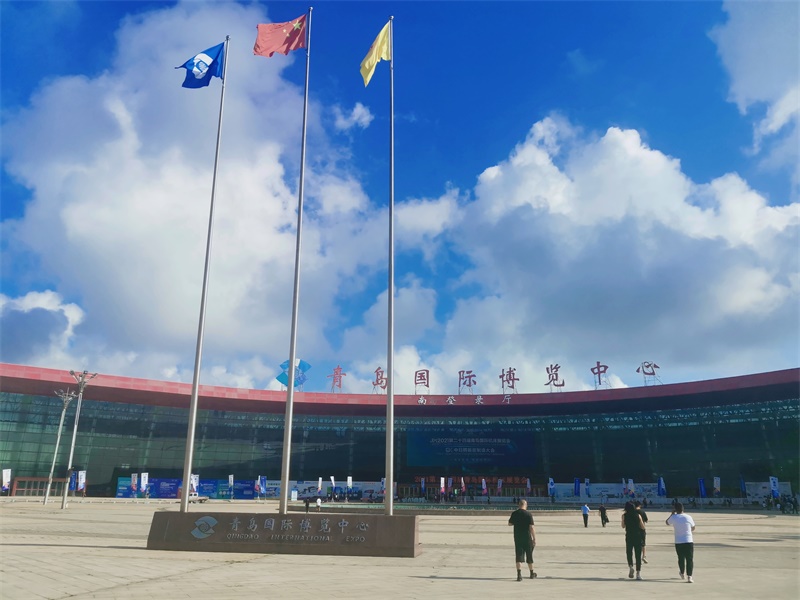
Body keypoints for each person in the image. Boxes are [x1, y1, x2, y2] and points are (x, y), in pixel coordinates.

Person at [666, 502, 696, 583]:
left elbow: (667, 522)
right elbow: (693, 527)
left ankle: (682, 573)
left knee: (681, 558)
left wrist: (672, 514)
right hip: (688, 540)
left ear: (675, 509)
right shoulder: (688, 517)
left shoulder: (674, 517)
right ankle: (689, 576)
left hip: (679, 541)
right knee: (689, 559)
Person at [508, 498, 537, 581]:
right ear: (525, 505)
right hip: (527, 537)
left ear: (519, 505)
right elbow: (531, 527)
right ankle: (531, 573)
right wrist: (534, 538)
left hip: (518, 537)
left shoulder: (514, 513)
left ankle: (519, 575)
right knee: (529, 555)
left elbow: (509, 523)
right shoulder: (528, 514)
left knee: (519, 556)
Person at [621, 501, 645, 580]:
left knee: (629, 552)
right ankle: (638, 574)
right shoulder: (638, 515)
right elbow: (642, 526)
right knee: (638, 554)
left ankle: (631, 566)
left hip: (629, 535)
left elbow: (623, 526)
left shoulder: (624, 515)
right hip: (637, 536)